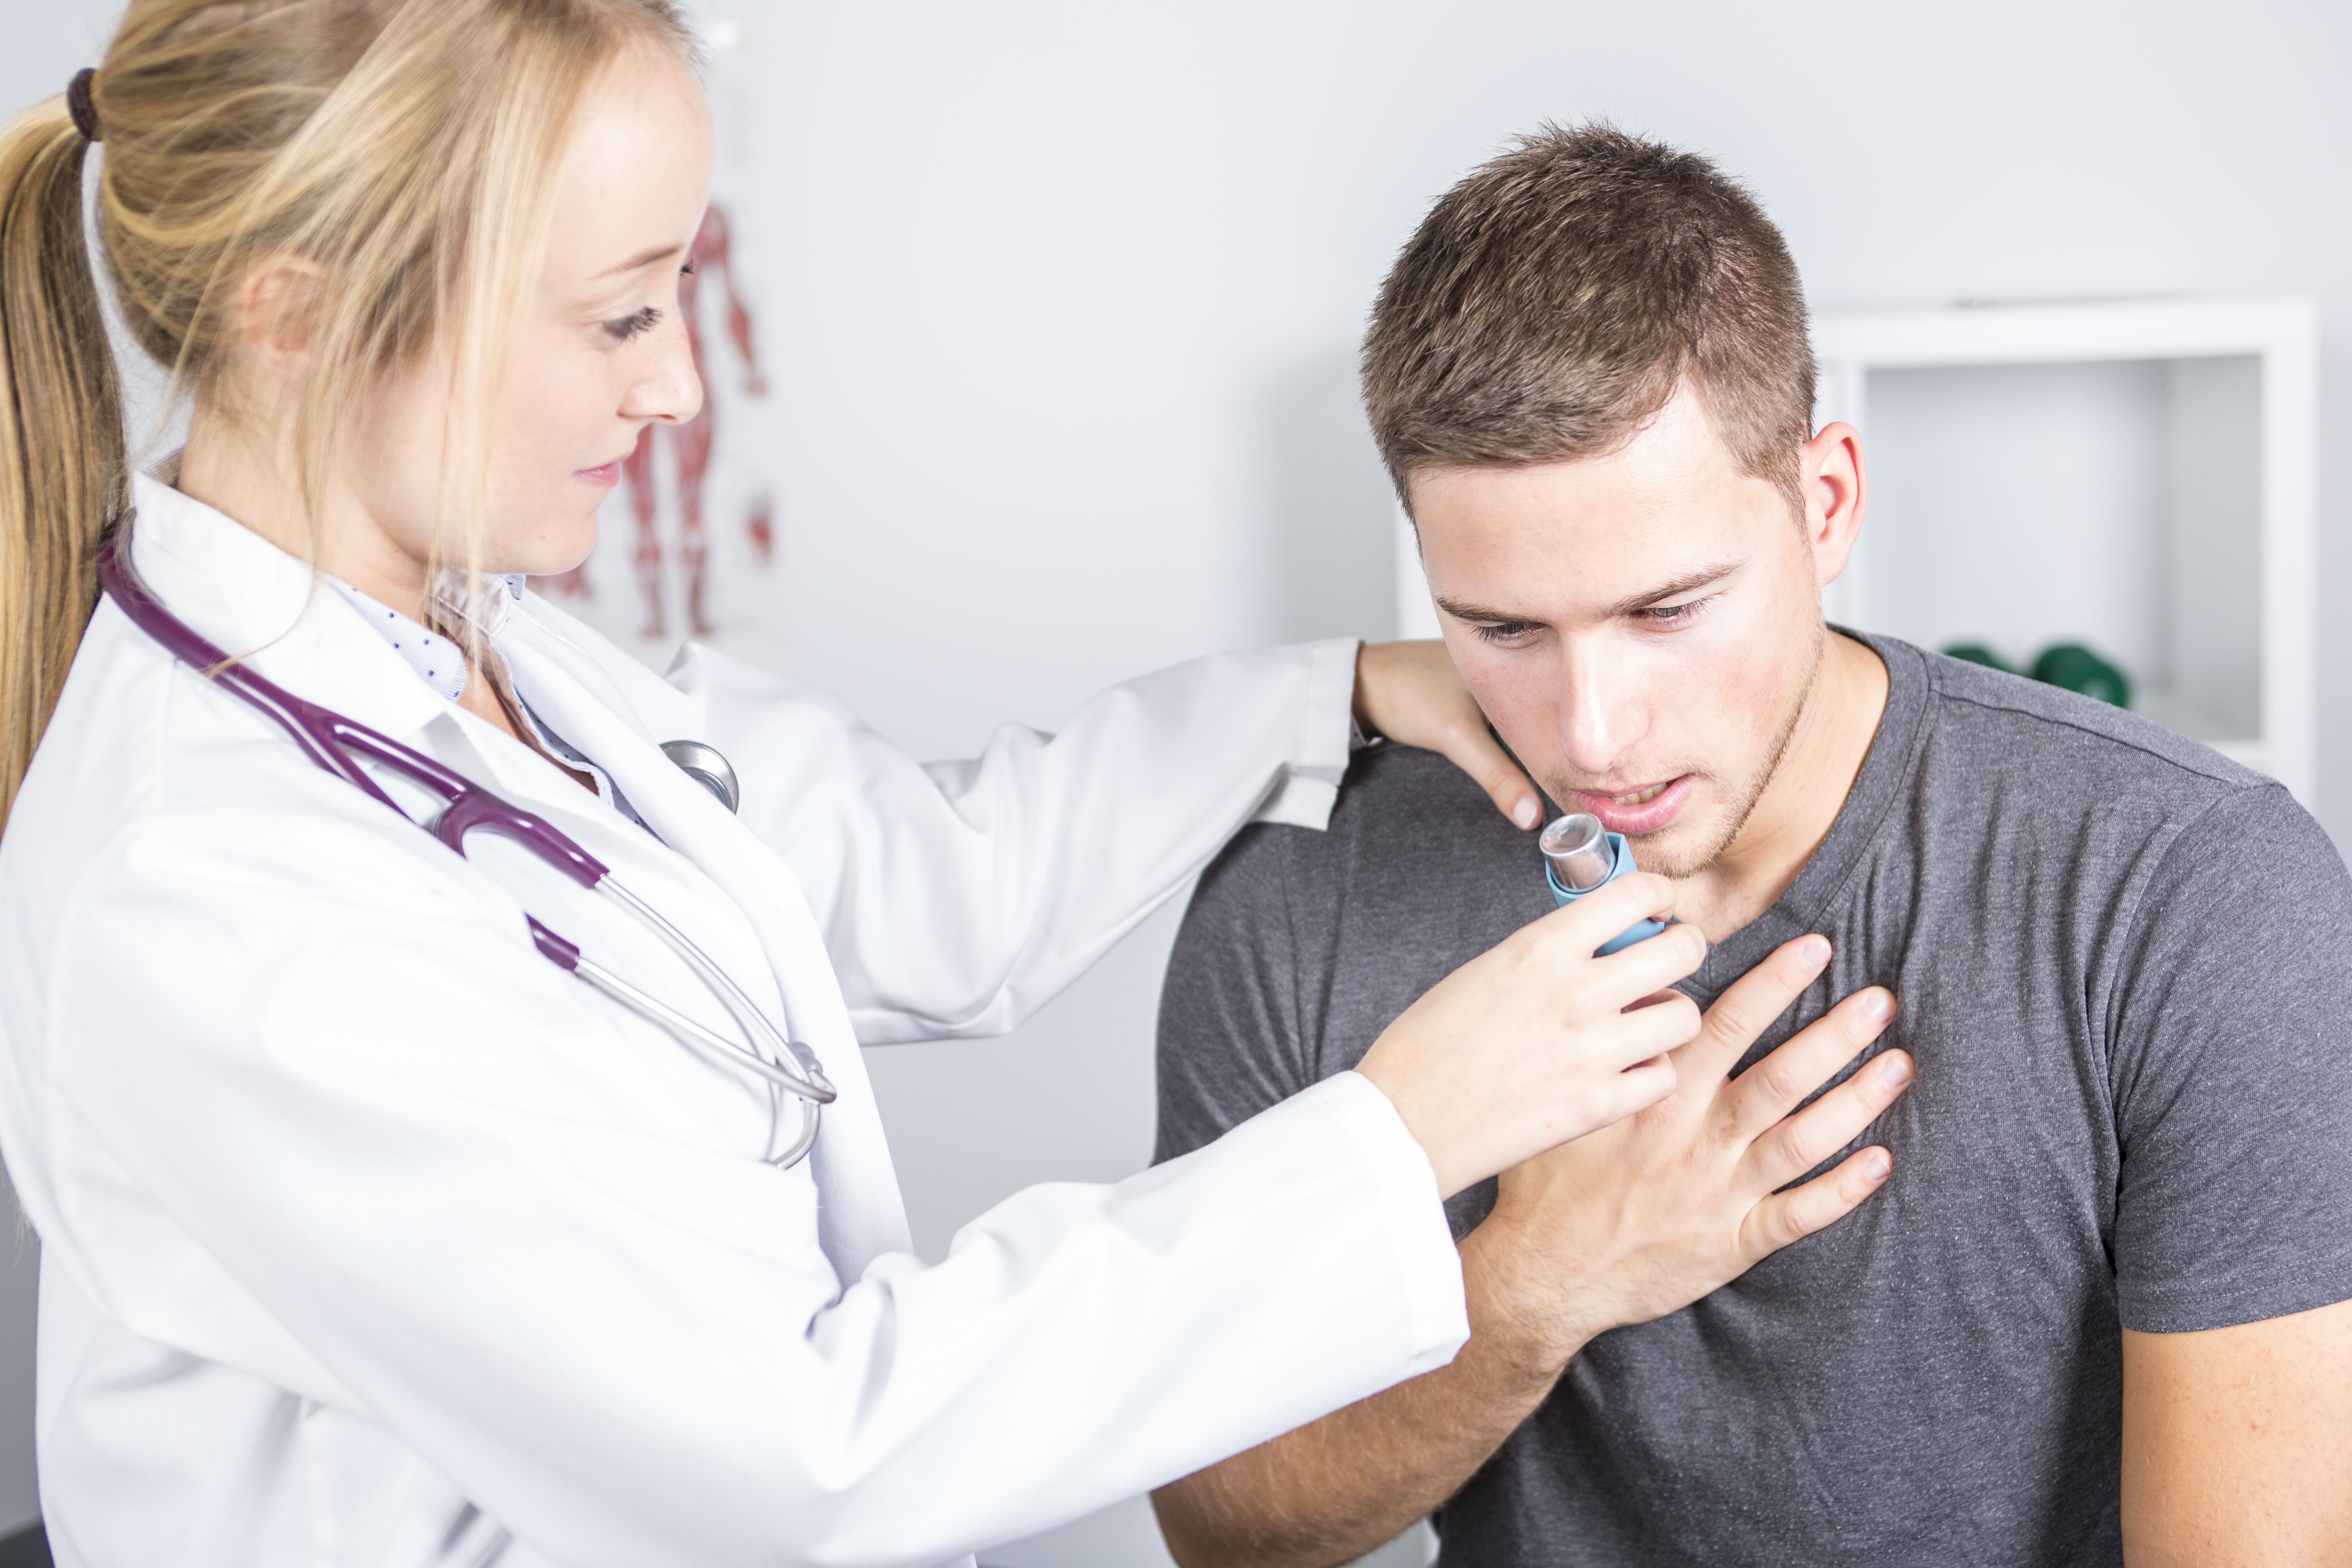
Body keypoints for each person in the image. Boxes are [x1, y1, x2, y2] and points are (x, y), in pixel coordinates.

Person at [0, 11, 1915, 1567]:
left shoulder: (477, 650)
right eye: (615, 314)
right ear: (299, 314)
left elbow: (930, 896)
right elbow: (799, 1458)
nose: (675, 389)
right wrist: (1396, 1138)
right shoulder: (212, 888)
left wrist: (1330, 691)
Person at [1151, 125, 2352, 1567]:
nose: (1591, 733)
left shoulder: (2190, 892)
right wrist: (1535, 1288)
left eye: (1667, 611)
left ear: (1826, 500)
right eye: (1504, 629)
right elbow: (1221, 1530)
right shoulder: (1306, 891)